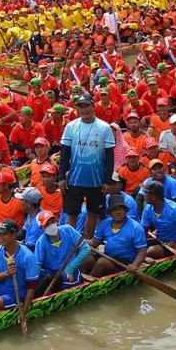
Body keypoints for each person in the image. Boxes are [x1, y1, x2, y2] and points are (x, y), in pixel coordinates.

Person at [58, 94, 117, 241]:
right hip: (74, 179)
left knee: (92, 212)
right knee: (72, 213)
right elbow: (64, 154)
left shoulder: (104, 127)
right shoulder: (71, 126)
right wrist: (61, 178)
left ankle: (88, 241)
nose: (84, 110)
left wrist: (107, 180)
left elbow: (109, 157)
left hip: (96, 180)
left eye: (87, 106)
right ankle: (69, 242)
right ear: (77, 109)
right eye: (80, 106)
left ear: (93, 106)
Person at [82, 194, 147, 277]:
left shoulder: (136, 227)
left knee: (102, 262)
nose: (118, 212)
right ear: (110, 212)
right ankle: (78, 281)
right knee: (87, 258)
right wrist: (79, 242)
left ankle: (90, 281)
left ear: (125, 210)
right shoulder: (105, 223)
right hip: (108, 256)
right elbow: (94, 242)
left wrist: (134, 265)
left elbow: (142, 251)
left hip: (125, 262)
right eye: (114, 210)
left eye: (120, 209)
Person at [33, 211, 90, 296]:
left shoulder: (68, 230)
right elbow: (37, 266)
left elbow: (86, 249)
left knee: (49, 278)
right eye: (47, 224)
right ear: (42, 228)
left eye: (52, 221)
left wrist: (70, 268)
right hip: (51, 271)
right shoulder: (40, 242)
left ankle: (35, 298)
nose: (51, 225)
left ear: (56, 221)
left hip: (68, 272)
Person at [139, 181, 176, 257]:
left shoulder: (174, 209)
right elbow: (143, 231)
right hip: (161, 240)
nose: (144, 196)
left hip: (175, 243)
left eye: (146, 193)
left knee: (151, 251)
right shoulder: (147, 209)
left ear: (153, 197)